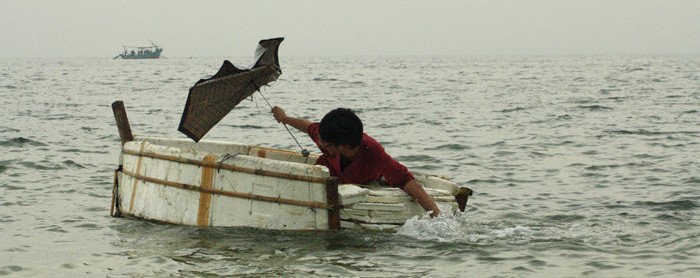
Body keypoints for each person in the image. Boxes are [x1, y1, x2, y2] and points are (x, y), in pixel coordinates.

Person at [271, 106, 441, 217]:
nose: (321, 144)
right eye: (321, 141)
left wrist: (436, 215)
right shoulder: (327, 136)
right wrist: (284, 118)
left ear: (343, 145)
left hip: (362, 184)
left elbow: (406, 180)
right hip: (330, 181)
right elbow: (308, 127)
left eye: (326, 144)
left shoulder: (372, 151)